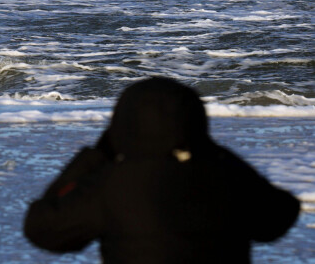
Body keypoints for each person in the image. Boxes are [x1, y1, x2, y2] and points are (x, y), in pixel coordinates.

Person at [24, 77, 300, 263]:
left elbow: (44, 229)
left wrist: (95, 157)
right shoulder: (227, 174)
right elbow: (279, 217)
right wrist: (215, 151)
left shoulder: (111, 182)